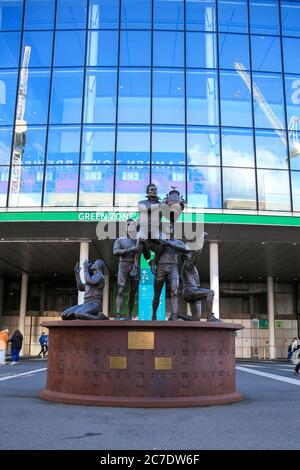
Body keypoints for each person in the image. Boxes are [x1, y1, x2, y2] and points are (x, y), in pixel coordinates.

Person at [180, 251, 220, 321]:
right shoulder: (187, 265)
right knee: (210, 292)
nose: (191, 256)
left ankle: (176, 315)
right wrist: (199, 244)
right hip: (190, 291)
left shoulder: (187, 266)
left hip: (190, 292)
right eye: (190, 255)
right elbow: (196, 256)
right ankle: (210, 317)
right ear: (186, 258)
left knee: (196, 319)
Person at [113, 219, 141, 320]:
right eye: (129, 225)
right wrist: (130, 249)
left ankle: (129, 314)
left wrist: (144, 246)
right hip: (123, 265)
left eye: (134, 225)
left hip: (136, 266)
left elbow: (146, 255)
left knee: (133, 293)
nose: (131, 227)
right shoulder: (120, 240)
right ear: (126, 227)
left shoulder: (139, 240)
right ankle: (118, 314)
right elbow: (115, 252)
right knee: (121, 289)